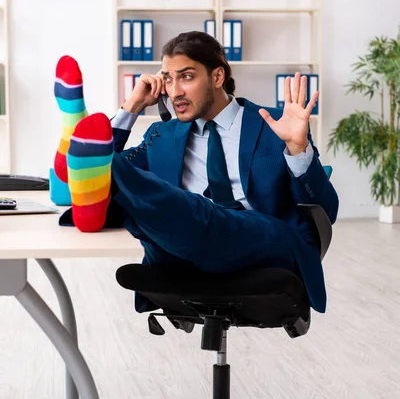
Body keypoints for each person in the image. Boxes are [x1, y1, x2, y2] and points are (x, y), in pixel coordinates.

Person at [58, 31, 339, 315]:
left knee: (183, 207)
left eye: (187, 77)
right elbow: (108, 177)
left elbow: (326, 210)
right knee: (134, 192)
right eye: (168, 79)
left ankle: (73, 141)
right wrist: (130, 110)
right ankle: (80, 158)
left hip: (262, 241)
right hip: (181, 245)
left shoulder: (277, 125)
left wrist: (298, 149)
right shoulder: (162, 134)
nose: (174, 90)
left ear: (217, 77)